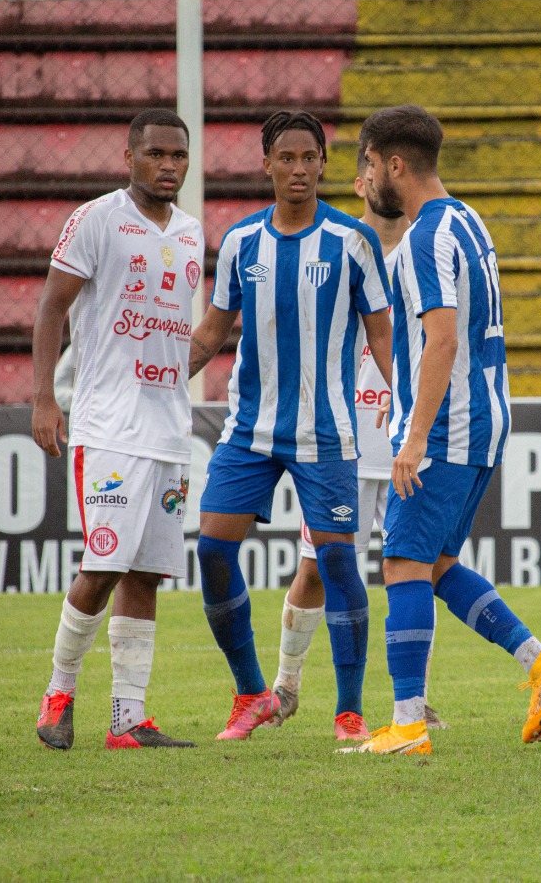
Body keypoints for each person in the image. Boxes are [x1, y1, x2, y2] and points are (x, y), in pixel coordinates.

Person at [344, 104, 541, 756]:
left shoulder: (423, 236)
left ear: (394, 164)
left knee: (402, 564)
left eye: (368, 164)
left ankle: (409, 725)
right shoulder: (466, 219)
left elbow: (442, 340)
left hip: (446, 427)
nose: (364, 178)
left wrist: (413, 437)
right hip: (484, 420)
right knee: (439, 565)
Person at [188, 110, 392, 742]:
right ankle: (252, 693)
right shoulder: (243, 242)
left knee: (336, 565)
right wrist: (157, 379)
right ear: (267, 164)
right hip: (250, 428)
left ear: (324, 164)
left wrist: (406, 401)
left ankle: (349, 711)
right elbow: (213, 332)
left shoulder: (352, 240)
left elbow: (383, 334)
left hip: (327, 431)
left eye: (310, 158)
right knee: (214, 551)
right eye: (287, 158)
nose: (299, 169)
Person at [31, 108, 203, 750]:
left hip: (168, 428)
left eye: (178, 156)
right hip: (108, 424)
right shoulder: (97, 219)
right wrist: (45, 398)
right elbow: (52, 307)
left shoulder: (188, 231)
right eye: (156, 153)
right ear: (128, 157)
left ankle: (127, 718)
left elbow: (175, 331)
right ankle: (58, 693)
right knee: (103, 564)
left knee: (147, 572)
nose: (168, 165)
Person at [269, 151, 447, 734]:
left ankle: (411, 701)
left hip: (404, 438)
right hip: (343, 438)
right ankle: (286, 686)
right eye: (367, 172)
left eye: (383, 169)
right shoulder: (338, 247)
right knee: (317, 567)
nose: (377, 180)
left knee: (411, 568)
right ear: (358, 182)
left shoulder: (427, 248)